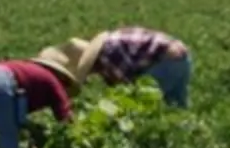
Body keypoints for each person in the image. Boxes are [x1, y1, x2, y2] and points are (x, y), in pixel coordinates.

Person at [37, 28, 194, 107]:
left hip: (166, 62)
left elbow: (127, 89)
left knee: (142, 107)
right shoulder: (110, 47)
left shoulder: (107, 55)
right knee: (177, 108)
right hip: (181, 57)